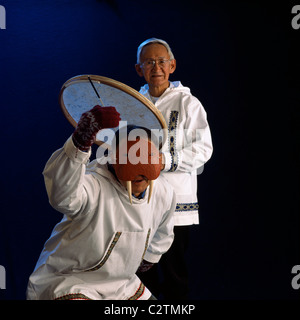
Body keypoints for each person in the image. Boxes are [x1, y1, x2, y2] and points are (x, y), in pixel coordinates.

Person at [26, 105, 176, 300]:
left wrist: (144, 260)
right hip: (72, 281)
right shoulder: (93, 186)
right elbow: (63, 197)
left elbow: (163, 233)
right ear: (113, 159)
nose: (139, 169)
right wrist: (79, 142)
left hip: (123, 284)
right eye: (130, 158)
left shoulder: (164, 193)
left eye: (147, 157)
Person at [135, 38, 213, 299]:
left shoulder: (189, 104)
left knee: (173, 275)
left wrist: (165, 161)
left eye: (161, 61)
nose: (155, 67)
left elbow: (203, 149)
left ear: (172, 66)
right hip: (138, 204)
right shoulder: (133, 104)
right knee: (137, 275)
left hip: (177, 205)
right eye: (148, 62)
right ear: (139, 69)